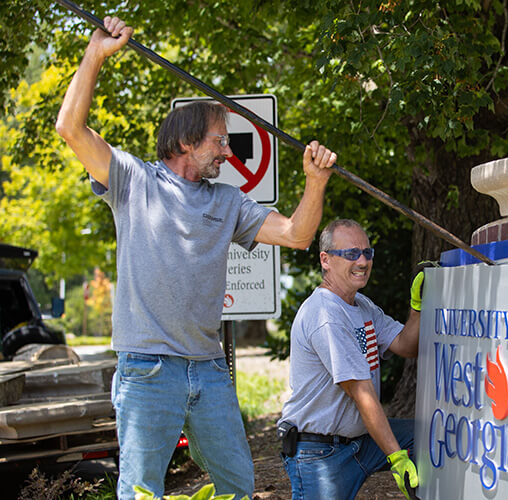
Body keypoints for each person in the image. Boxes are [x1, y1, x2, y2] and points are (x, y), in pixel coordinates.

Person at [55, 16, 338, 500]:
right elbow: (70, 127)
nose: (229, 153)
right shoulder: (133, 181)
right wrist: (96, 54)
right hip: (147, 369)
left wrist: (315, 182)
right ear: (187, 141)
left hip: (208, 369)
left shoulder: (227, 202)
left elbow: (295, 235)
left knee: (238, 485)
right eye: (220, 141)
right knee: (141, 490)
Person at [278, 219, 422, 500]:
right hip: (319, 453)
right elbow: (361, 392)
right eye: (351, 254)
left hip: (361, 442)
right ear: (326, 260)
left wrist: (417, 308)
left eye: (367, 253)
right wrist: (397, 458)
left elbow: (406, 345)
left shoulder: (362, 305)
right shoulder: (325, 314)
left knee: (429, 437)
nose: (362, 261)